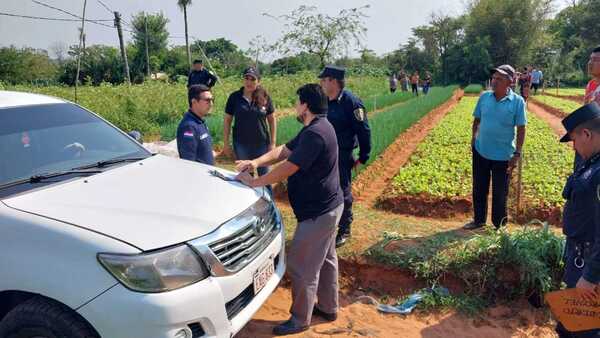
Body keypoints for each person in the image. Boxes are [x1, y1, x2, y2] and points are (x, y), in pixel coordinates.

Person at [235, 84, 343, 336]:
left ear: (305, 105)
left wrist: (255, 181)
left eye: (297, 102)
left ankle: (299, 319)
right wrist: (256, 162)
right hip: (328, 207)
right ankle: (329, 307)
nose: (296, 105)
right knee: (326, 259)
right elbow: (284, 150)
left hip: (318, 213)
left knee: (301, 265)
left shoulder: (316, 134)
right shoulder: (316, 128)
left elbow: (289, 166)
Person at [555, 102, 600, 338]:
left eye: (573, 140)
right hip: (579, 255)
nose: (573, 146)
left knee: (585, 330)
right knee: (568, 325)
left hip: (591, 263)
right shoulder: (591, 162)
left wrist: (591, 277)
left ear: (586, 134)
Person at [464, 65, 527, 230]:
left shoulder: (518, 102)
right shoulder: (484, 97)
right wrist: (473, 140)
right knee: (479, 188)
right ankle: (478, 220)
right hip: (481, 151)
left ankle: (499, 225)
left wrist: (517, 152)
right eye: (494, 78)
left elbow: (521, 128)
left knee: (500, 193)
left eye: (499, 79)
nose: (494, 81)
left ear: (510, 82)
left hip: (504, 156)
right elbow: (477, 120)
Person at [319, 65, 372, 247]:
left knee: (343, 190)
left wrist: (364, 156)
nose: (321, 83)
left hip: (342, 154)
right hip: (324, 154)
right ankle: (329, 224)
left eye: (324, 80)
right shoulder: (323, 101)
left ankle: (345, 228)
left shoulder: (352, 103)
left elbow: (363, 131)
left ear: (333, 81)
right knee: (325, 189)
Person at [223, 66, 276, 177]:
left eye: (253, 79)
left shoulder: (264, 97)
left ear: (258, 81)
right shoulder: (235, 97)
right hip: (241, 144)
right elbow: (227, 120)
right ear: (243, 80)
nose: (249, 82)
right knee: (246, 177)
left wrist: (272, 143)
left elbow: (272, 120)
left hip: (261, 144)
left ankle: (266, 195)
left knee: (265, 176)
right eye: (247, 78)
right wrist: (226, 144)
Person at [176, 84, 217, 165]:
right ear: (194, 102)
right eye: (207, 100)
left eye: (212, 100)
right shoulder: (189, 127)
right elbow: (189, 161)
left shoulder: (200, 121)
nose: (211, 104)